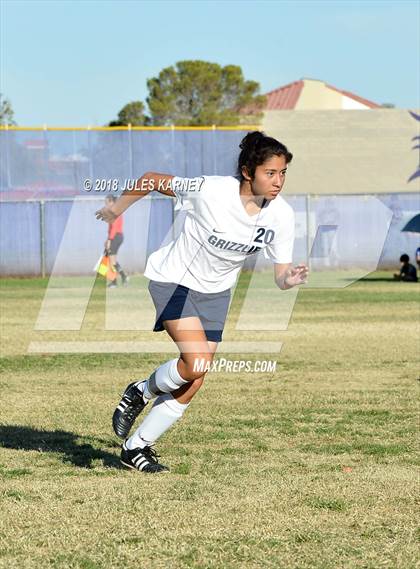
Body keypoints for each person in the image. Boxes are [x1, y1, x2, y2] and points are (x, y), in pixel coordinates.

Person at [95, 131, 309, 473]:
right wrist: (116, 209)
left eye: (283, 173)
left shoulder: (281, 216)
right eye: (271, 173)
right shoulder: (210, 190)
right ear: (247, 171)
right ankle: (139, 391)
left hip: (217, 293)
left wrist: (290, 279)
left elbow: (280, 275)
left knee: (196, 377)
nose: (278, 181)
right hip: (174, 280)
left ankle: (137, 447)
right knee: (194, 363)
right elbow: (151, 179)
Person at [104, 195, 128, 288]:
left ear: (112, 202)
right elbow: (110, 228)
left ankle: (115, 281)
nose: (106, 205)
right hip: (115, 236)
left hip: (116, 236)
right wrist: (108, 239)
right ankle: (123, 277)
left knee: (112, 260)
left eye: (107, 202)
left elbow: (114, 228)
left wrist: (109, 240)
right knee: (113, 260)